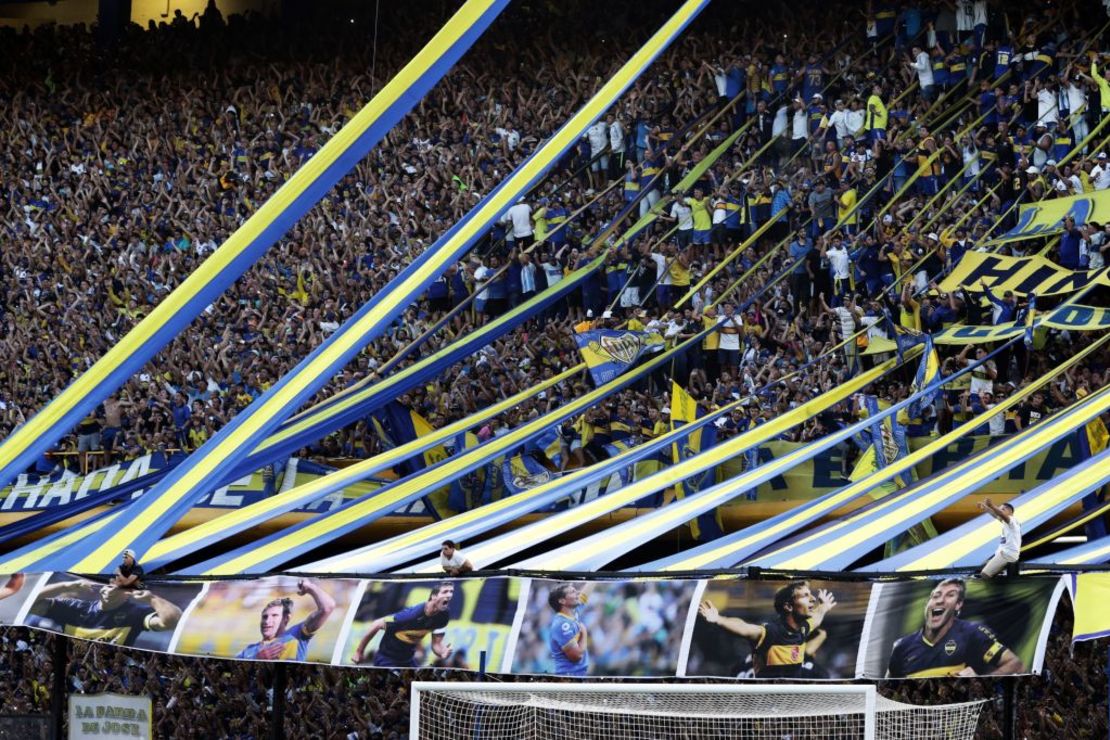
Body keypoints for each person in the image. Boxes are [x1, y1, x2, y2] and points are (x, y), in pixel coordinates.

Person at [886, 577, 1025, 677]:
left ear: (958, 605)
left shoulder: (972, 633)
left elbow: (1017, 665)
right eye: (936, 596)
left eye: (950, 595)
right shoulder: (902, 646)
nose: (940, 600)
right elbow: (887, 688)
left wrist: (982, 679)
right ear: (927, 604)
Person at [697, 581, 837, 678]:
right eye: (805, 596)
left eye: (811, 594)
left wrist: (824, 607)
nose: (813, 599)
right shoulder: (771, 632)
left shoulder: (803, 628)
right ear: (788, 607)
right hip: (767, 705)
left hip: (790, 706)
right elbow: (744, 628)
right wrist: (719, 620)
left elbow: (817, 618)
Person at [28, 580, 181, 647]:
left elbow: (173, 621)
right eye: (108, 586)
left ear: (129, 592)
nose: (110, 590)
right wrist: (65, 586)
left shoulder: (136, 614)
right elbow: (28, 603)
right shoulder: (74, 607)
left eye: (118, 588)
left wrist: (153, 599)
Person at [352, 583, 454, 667]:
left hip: (408, 660)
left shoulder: (443, 616)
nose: (449, 595)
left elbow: (436, 644)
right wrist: (359, 652)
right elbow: (376, 624)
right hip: (387, 659)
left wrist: (441, 652)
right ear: (434, 596)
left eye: (451, 592)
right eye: (445, 592)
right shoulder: (410, 616)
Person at [235, 579, 335, 661]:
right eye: (265, 617)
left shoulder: (296, 634)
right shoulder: (248, 651)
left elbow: (328, 607)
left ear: (286, 619)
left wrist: (311, 588)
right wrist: (256, 659)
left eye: (274, 616)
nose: (267, 621)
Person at [547, 582, 591, 676]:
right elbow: (576, 656)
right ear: (562, 601)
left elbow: (584, 596)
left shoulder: (573, 613)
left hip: (578, 675)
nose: (577, 593)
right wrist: (584, 633)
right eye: (572, 592)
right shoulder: (562, 624)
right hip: (569, 678)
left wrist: (595, 578)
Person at [978, 499, 1021, 578]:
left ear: (1010, 511)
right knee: (980, 570)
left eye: (1003, 509)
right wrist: (986, 508)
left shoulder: (1011, 520)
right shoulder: (1007, 522)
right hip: (1005, 555)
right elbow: (996, 515)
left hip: (1006, 555)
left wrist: (991, 505)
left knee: (984, 574)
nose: (1000, 511)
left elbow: (1000, 514)